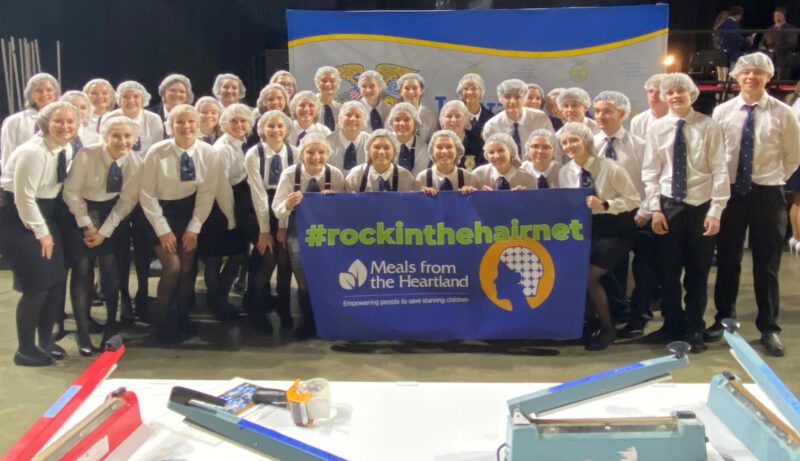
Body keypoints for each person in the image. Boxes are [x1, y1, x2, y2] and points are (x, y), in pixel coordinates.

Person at [709, 53, 800, 356]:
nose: (751, 77)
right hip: (731, 193)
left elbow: (793, 156)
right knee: (727, 260)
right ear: (736, 77)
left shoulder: (783, 113)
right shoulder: (722, 112)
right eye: (745, 72)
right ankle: (723, 319)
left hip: (767, 193)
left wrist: (772, 179)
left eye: (758, 72)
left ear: (768, 77)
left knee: (767, 265)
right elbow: (715, 153)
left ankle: (769, 328)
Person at [642, 73, 729, 352]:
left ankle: (694, 327)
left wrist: (715, 211)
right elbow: (651, 173)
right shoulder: (657, 129)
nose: (676, 96)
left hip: (701, 206)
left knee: (697, 272)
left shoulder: (708, 126)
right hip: (669, 206)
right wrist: (655, 209)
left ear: (692, 94)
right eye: (671, 92)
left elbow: (719, 169)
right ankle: (671, 324)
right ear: (665, 97)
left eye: (681, 91)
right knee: (667, 272)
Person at [0, 101, 79, 366]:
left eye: (71, 121)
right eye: (59, 121)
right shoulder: (32, 152)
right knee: (37, 284)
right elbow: (24, 199)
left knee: (56, 280)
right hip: (17, 216)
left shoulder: (63, 148)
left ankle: (46, 340)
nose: (65, 126)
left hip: (44, 212)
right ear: (45, 123)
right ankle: (25, 348)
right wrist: (42, 233)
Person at [62, 115, 142, 355]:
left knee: (111, 269)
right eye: (116, 136)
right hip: (80, 210)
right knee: (83, 269)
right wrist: (87, 225)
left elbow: (128, 200)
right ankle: (83, 333)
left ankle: (111, 325)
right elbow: (71, 192)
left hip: (111, 213)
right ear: (105, 136)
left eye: (127, 136)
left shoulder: (135, 162)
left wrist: (105, 231)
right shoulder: (87, 155)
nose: (122, 141)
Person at [139, 104, 219, 343]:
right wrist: (163, 230)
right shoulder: (156, 151)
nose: (186, 127)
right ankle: (161, 322)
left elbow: (207, 193)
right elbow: (147, 194)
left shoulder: (208, 152)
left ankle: (183, 317)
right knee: (172, 267)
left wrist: (194, 227)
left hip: (190, 212)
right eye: (180, 122)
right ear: (170, 125)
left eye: (191, 122)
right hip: (158, 213)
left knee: (186, 268)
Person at [558, 122, 640, 351]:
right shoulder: (566, 172)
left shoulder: (610, 168)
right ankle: (588, 323)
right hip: (587, 230)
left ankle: (607, 327)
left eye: (574, 140)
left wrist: (605, 204)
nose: (569, 146)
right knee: (579, 276)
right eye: (564, 142)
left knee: (588, 277)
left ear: (586, 141)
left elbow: (634, 199)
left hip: (616, 230)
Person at [272, 132, 346, 339]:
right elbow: (277, 210)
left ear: (328, 153)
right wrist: (287, 204)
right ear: (301, 154)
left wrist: (336, 200)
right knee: (304, 278)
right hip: (299, 230)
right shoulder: (289, 174)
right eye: (310, 152)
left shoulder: (335, 175)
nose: (316, 157)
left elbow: (346, 211)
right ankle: (308, 320)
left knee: (327, 276)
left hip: (328, 232)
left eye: (321, 152)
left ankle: (328, 317)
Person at [593, 90, 653, 337]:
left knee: (643, 270)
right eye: (597, 111)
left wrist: (646, 211)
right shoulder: (591, 145)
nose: (600, 116)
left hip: (636, 215)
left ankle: (639, 318)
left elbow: (651, 180)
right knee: (606, 268)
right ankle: (616, 313)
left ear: (621, 113)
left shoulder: (638, 145)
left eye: (607, 111)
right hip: (605, 216)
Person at [244, 110, 296, 331]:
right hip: (259, 212)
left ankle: (284, 309)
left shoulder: (295, 152)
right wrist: (265, 231)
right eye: (270, 126)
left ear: (286, 129)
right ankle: (256, 310)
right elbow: (258, 195)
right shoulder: (253, 154)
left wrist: (282, 226)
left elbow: (290, 190)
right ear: (262, 130)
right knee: (266, 259)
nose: (275, 130)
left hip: (285, 210)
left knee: (285, 261)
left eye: (280, 126)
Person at [200, 104, 253, 320]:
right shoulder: (223, 149)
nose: (239, 125)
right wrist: (230, 217)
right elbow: (220, 187)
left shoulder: (240, 144)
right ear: (224, 123)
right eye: (234, 121)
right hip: (219, 208)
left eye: (243, 120)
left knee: (237, 254)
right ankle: (217, 303)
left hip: (233, 204)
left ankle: (219, 298)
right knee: (214, 258)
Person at [1, 73, 60, 170]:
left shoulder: (63, 121)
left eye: (49, 90)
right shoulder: (15, 121)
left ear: (56, 92)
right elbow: (7, 155)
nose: (44, 94)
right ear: (30, 94)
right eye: (38, 91)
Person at [482, 79, 554, 157]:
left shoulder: (540, 118)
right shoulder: (492, 126)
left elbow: (553, 145)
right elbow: (492, 155)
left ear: (525, 99)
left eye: (517, 97)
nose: (512, 101)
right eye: (507, 97)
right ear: (501, 99)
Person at [105, 81, 165, 159]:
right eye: (126, 97)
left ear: (143, 99)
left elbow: (157, 149)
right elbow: (105, 148)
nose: (131, 100)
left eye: (136, 96)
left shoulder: (154, 119)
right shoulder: (108, 119)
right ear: (118, 99)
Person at [345, 129, 416, 192]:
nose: (381, 152)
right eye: (377, 147)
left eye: (386, 148)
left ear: (395, 151)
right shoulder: (355, 176)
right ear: (368, 150)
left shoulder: (405, 177)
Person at [418, 130, 478, 194]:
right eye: (439, 147)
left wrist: (471, 195)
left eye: (449, 147)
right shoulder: (422, 178)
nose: (444, 151)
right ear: (432, 151)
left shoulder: (468, 178)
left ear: (457, 150)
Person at [472, 133, 536, 190]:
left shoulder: (528, 179)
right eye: (491, 152)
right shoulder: (478, 175)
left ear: (511, 151)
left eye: (501, 150)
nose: (496, 156)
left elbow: (535, 202)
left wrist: (524, 197)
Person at [387, 102, 431, 177]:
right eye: (397, 120)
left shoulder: (423, 148)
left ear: (415, 123)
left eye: (407, 120)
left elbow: (418, 177)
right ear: (391, 124)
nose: (402, 124)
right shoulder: (384, 143)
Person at [457, 73, 494, 161]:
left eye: (474, 89)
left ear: (481, 91)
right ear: (460, 92)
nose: (469, 92)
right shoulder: (453, 118)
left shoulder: (491, 119)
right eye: (465, 89)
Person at [327, 101, 369, 175]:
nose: (353, 119)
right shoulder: (327, 142)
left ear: (364, 121)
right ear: (340, 118)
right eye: (348, 115)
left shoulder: (371, 142)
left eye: (357, 116)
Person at [758, 7, 798, 80]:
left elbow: (792, 43)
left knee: (782, 79)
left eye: (779, 15)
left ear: (784, 16)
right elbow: (762, 43)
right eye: (775, 16)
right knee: (771, 79)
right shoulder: (769, 29)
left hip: (784, 59)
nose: (776, 18)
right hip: (770, 59)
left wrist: (777, 49)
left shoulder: (791, 28)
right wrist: (763, 48)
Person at [397, 73, 438, 143]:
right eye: (407, 88)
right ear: (400, 91)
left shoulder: (430, 117)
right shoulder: (393, 115)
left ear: (421, 91)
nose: (411, 92)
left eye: (415, 88)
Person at [439, 100, 480, 169]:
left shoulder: (478, 143)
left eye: (458, 116)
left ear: (466, 119)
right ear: (442, 119)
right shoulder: (435, 142)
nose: (453, 120)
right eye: (449, 116)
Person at [630, 74, 670, 140]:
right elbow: (636, 149)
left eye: (658, 92)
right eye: (650, 91)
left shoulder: (678, 120)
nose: (653, 96)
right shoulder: (638, 121)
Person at [315, 66, 342, 132]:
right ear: (317, 82)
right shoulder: (309, 106)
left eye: (332, 81)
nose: (328, 84)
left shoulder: (341, 109)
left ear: (338, 83)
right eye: (324, 81)